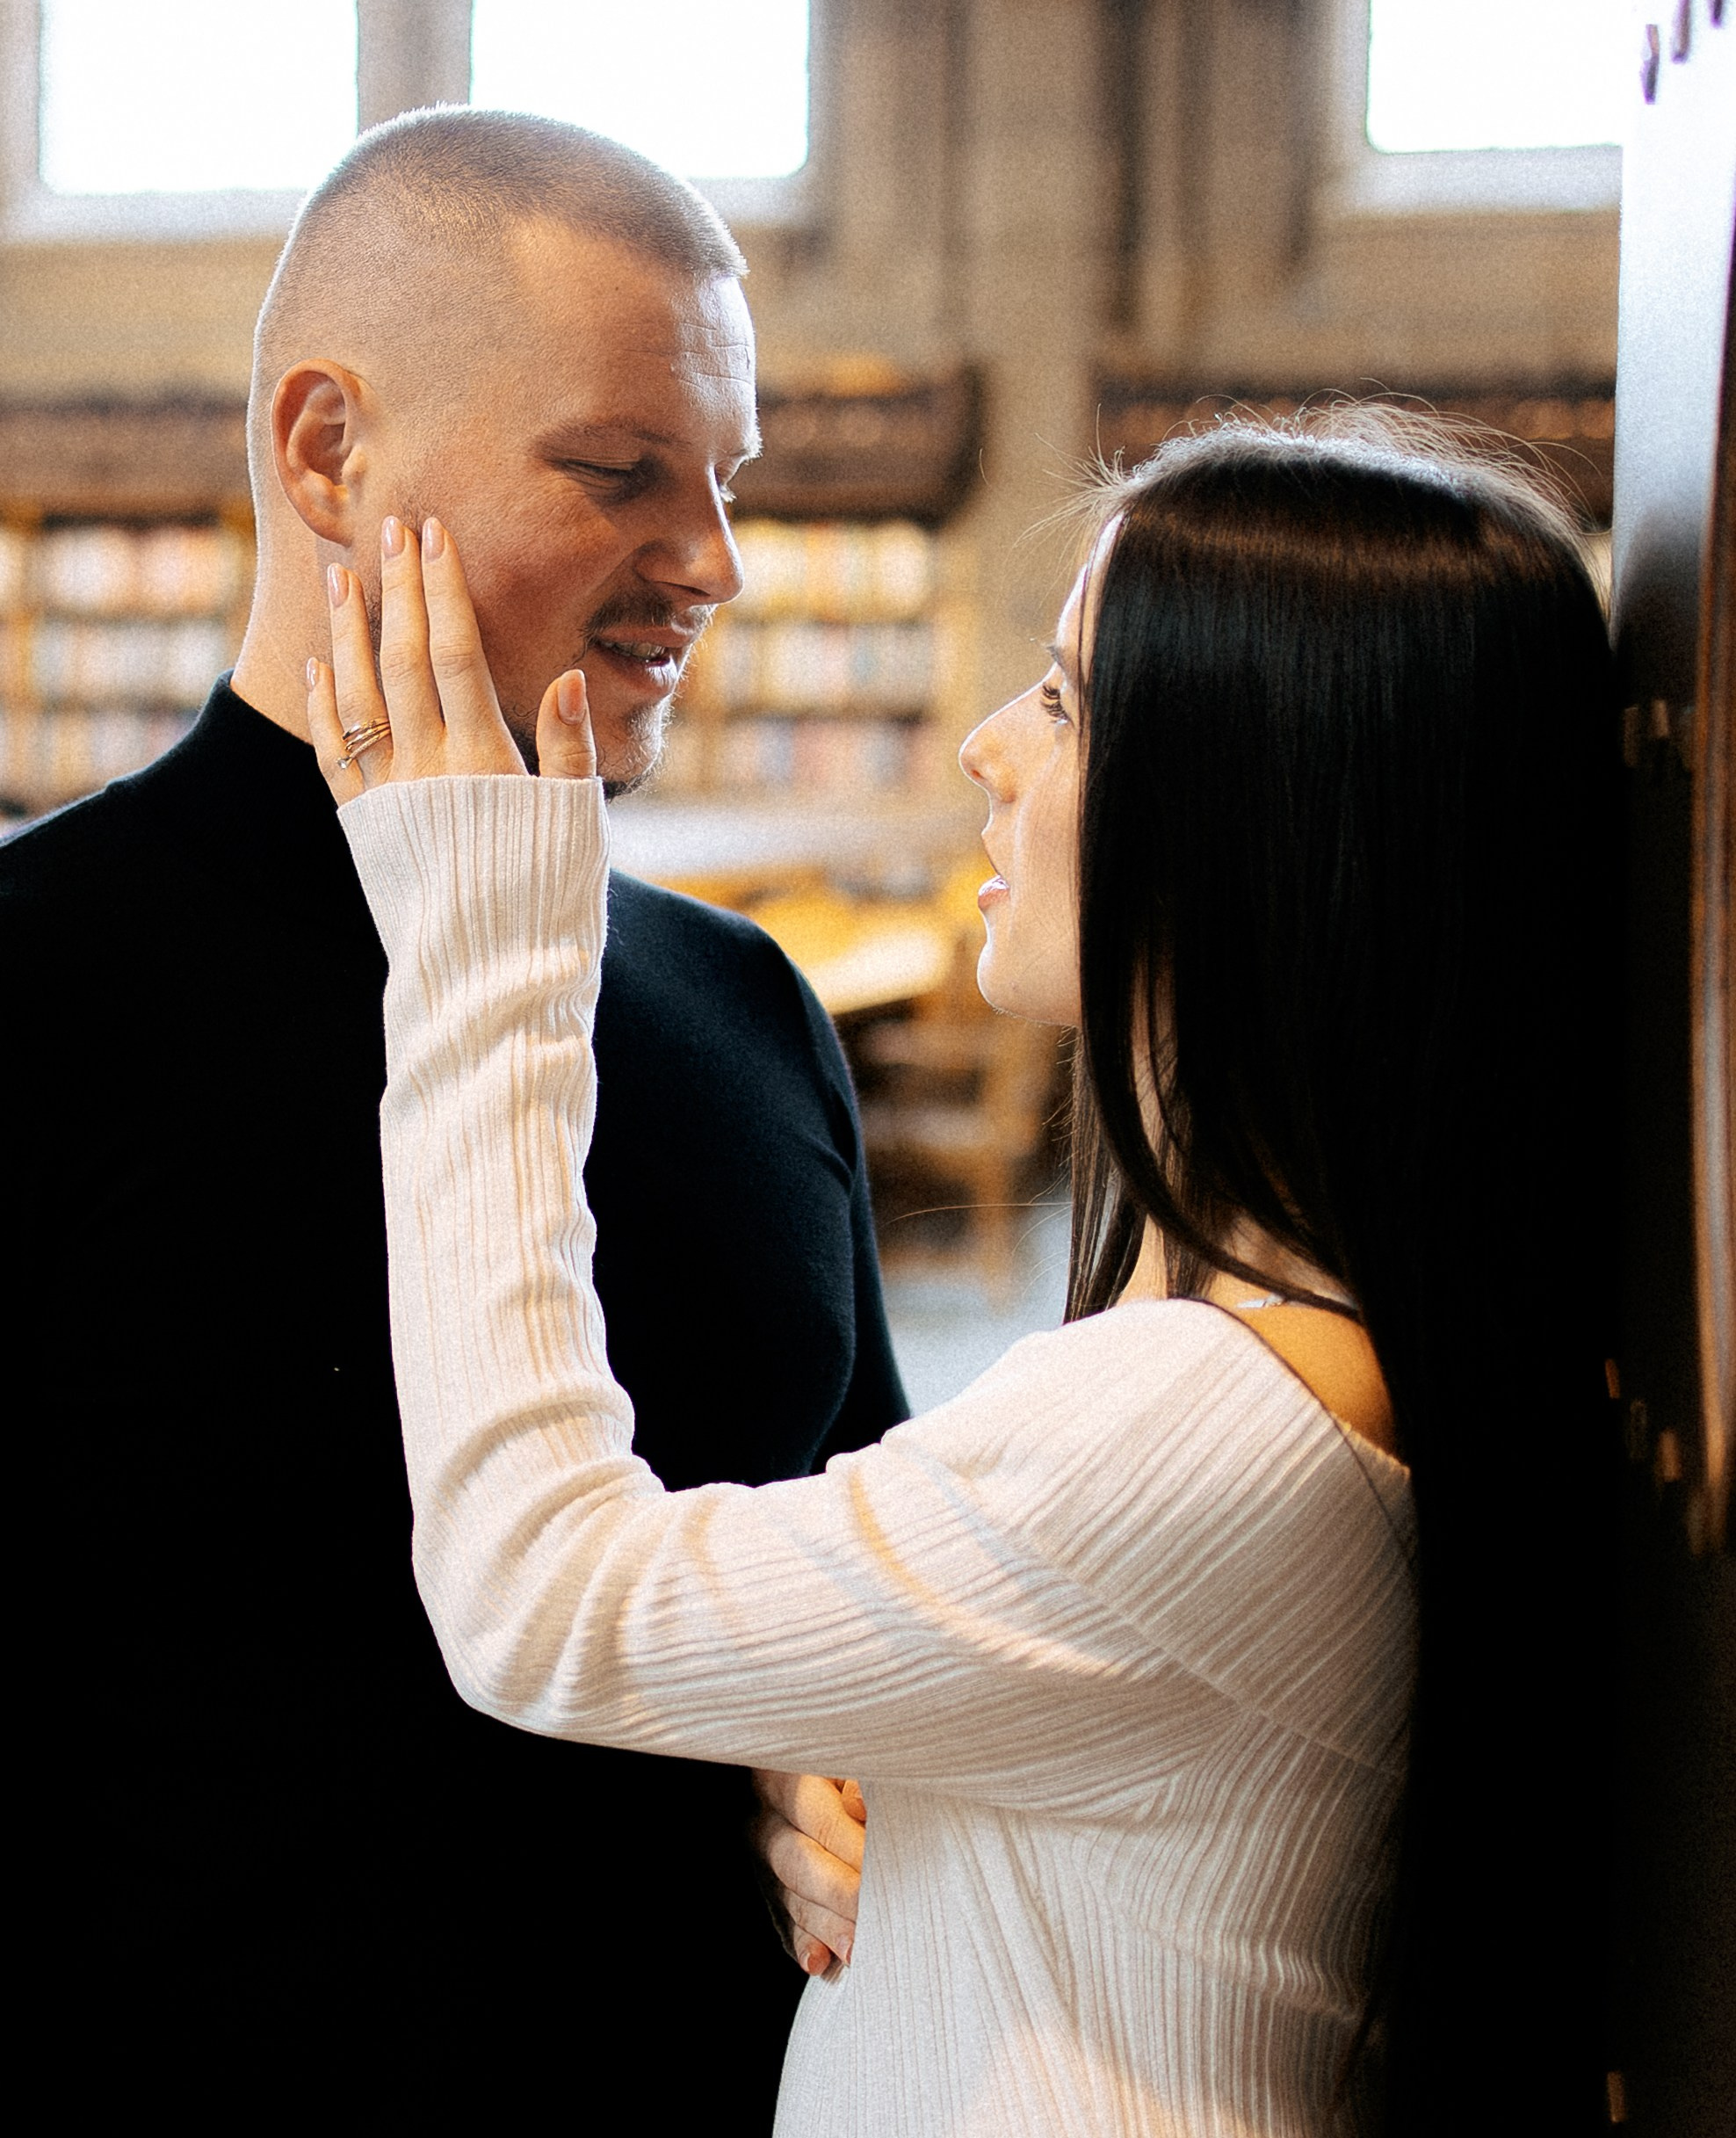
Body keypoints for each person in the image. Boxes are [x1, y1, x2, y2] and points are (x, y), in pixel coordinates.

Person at [310, 409, 1622, 2134]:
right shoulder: (1278, 1348)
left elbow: (537, 1595)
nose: (990, 746)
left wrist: (484, 955)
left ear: (1252, 813)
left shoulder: (1190, 1418)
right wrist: (846, 1744)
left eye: (1068, 700)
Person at [3, 111, 901, 2116]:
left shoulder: (743, 1006)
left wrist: (823, 1767)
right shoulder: (38, 990)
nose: (717, 565)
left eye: (730, 482)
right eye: (620, 472)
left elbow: (852, 1577)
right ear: (330, 451)